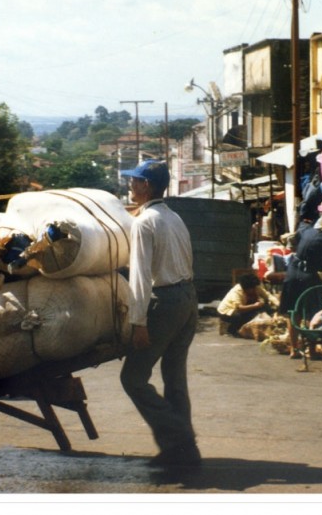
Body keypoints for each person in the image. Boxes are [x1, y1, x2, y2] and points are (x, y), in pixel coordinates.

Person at [118, 159, 201, 468]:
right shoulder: (174, 217)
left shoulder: (143, 222)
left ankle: (180, 436)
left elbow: (139, 276)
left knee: (133, 378)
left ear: (147, 186)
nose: (130, 185)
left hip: (164, 303)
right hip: (187, 298)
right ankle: (183, 450)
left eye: (134, 180)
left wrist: (138, 322)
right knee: (174, 377)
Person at [279, 217, 322, 359]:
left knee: (293, 312)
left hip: (293, 273)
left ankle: (294, 349)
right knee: (313, 312)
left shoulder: (309, 232)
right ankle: (311, 350)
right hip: (310, 277)